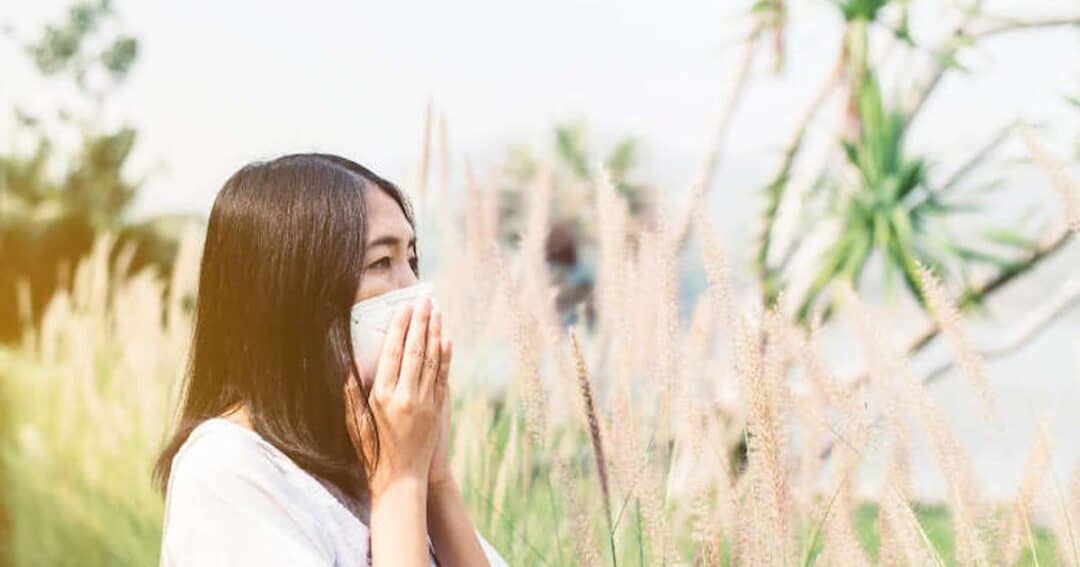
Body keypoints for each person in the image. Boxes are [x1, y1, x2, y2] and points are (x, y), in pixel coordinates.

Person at [154, 153, 507, 566]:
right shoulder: (226, 472)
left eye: (411, 259)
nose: (414, 289)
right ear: (296, 295)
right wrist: (399, 486)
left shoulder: (366, 454)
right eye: (381, 262)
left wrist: (436, 480)